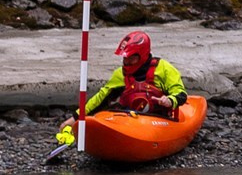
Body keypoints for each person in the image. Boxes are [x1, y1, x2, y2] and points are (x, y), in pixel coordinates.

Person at [56, 31, 186, 147]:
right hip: (130, 119)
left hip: (159, 118)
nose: (127, 62)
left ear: (143, 55)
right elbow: (101, 98)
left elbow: (180, 93)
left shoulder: (164, 69)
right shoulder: (120, 74)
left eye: (131, 58)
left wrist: (170, 100)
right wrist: (75, 118)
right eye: (125, 58)